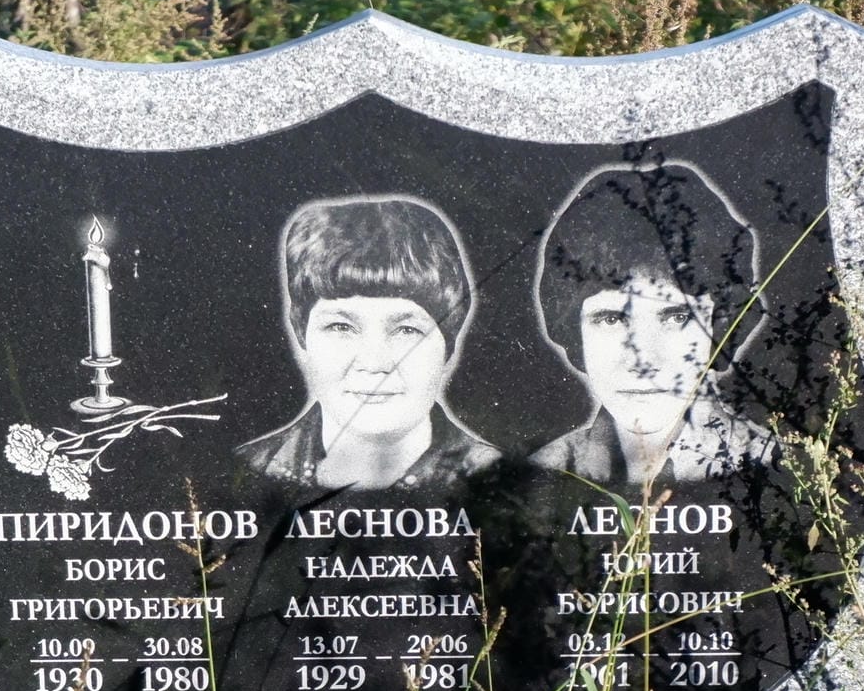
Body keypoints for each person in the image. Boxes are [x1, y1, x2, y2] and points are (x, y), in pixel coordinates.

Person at [532, 161, 776, 486]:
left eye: (677, 317)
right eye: (611, 319)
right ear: (574, 332)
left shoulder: (773, 467)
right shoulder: (542, 474)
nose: (643, 360)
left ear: (722, 324)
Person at [237, 197, 499, 490]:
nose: (374, 364)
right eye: (340, 326)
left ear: (448, 343)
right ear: (302, 333)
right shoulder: (241, 474)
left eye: (407, 330)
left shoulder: (509, 483)